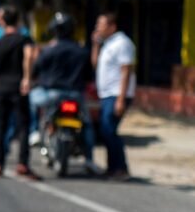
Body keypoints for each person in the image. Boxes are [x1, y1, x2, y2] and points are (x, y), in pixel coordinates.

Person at [29, 13, 100, 174]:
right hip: (76, 95)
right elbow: (89, 75)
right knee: (87, 125)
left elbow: (35, 71)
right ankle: (89, 159)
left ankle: (34, 132)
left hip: (52, 95)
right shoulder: (81, 51)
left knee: (32, 100)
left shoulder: (49, 50)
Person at [0, 6, 38, 179]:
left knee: (1, 126)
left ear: (2, 21)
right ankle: (22, 163)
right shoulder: (24, 39)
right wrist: (27, 78)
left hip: (1, 88)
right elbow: (29, 56)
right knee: (23, 125)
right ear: (18, 20)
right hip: (18, 87)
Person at [91, 11, 136, 179]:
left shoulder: (122, 43)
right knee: (105, 130)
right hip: (106, 94)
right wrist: (95, 45)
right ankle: (112, 168)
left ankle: (121, 168)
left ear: (112, 27)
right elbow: (95, 64)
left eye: (101, 25)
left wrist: (121, 99)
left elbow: (126, 71)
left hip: (117, 94)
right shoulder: (107, 44)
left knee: (108, 129)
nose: (98, 28)